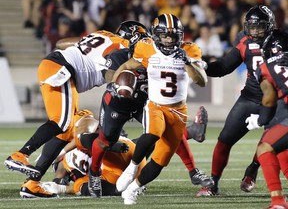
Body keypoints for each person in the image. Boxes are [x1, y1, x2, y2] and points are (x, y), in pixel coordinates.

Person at [3, 23, 139, 198]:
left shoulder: (103, 35)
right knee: (62, 121)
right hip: (62, 69)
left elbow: (61, 43)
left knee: (66, 131)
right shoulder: (122, 47)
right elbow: (109, 71)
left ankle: (32, 185)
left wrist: (80, 48)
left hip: (56, 65)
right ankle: (20, 154)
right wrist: (120, 83)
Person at [87, 20, 212, 198]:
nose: (142, 42)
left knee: (163, 133)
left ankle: (193, 168)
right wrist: (117, 82)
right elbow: (107, 73)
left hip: (143, 102)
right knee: (106, 140)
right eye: (136, 40)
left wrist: (192, 63)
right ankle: (94, 174)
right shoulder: (120, 56)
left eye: (143, 38)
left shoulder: (153, 49)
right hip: (118, 102)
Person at [196, 5, 277, 196]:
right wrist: (203, 66)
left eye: (260, 27)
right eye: (252, 27)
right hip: (250, 97)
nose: (255, 32)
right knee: (224, 139)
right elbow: (224, 66)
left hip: (276, 101)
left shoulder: (281, 41)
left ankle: (253, 169)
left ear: (270, 26)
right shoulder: (244, 42)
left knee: (272, 143)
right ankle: (213, 182)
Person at [245, 29, 288, 208]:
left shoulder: (266, 67)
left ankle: (278, 201)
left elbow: (269, 96)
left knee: (264, 147)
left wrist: (260, 120)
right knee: (283, 153)